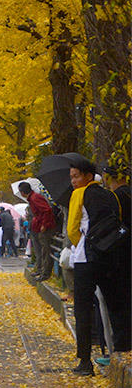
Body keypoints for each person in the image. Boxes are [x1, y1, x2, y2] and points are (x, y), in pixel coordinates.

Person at [67, 157, 122, 376]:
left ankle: (85, 362)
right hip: (110, 255)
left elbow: (72, 229)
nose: (73, 181)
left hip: (86, 257)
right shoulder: (110, 195)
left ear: (88, 176)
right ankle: (119, 350)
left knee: (82, 309)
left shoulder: (78, 194)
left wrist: (79, 244)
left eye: (76, 176)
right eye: (71, 177)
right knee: (114, 304)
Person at [101, 165, 131, 353]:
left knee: (118, 301)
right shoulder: (128, 193)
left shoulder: (115, 197)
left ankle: (121, 343)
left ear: (108, 177)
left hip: (120, 252)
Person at [19, 181, 55, 281]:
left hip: (44, 227)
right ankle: (40, 270)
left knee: (45, 250)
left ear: (22, 192)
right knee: (40, 250)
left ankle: (45, 273)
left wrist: (44, 224)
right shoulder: (32, 198)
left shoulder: (35, 198)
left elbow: (46, 210)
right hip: (37, 227)